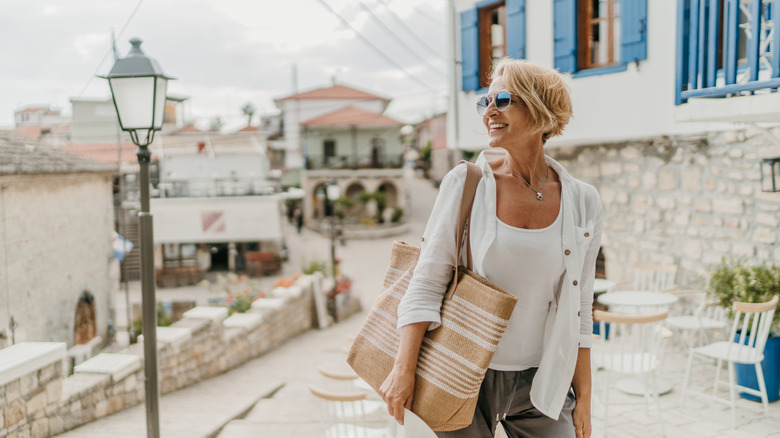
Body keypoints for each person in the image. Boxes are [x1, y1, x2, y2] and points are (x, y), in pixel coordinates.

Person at [379, 58, 603, 438]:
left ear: (540, 108)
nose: (490, 112)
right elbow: (427, 282)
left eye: (502, 99)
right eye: (486, 102)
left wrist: (584, 397)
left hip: (540, 381)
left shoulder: (583, 201)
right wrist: (402, 369)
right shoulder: (468, 183)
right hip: (460, 373)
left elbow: (579, 309)